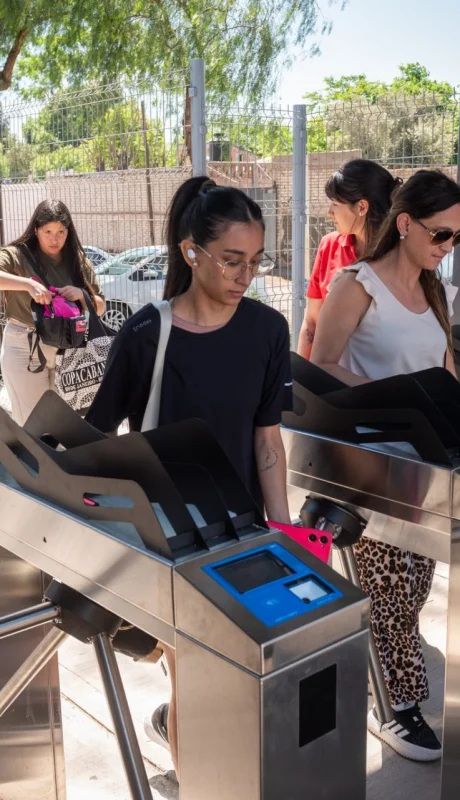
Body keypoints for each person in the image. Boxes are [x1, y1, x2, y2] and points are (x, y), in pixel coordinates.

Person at [86, 176, 293, 776]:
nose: (244, 275)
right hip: (172, 541)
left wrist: (286, 539)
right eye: (231, 260)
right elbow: (97, 440)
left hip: (246, 534)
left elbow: (268, 443)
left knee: (249, 683)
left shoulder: (266, 330)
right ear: (190, 252)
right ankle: (193, 780)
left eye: (255, 262)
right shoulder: (147, 333)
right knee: (196, 683)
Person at [310, 169, 460, 762]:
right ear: (405, 224)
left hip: (425, 461)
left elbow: (446, 370)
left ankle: (380, 685)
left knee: (417, 584)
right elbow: (321, 365)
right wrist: (394, 395)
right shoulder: (358, 283)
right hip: (369, 460)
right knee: (391, 587)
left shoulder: (434, 291)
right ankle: (397, 708)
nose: (448, 248)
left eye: (457, 238)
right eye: (442, 234)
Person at [0, 200, 105, 425]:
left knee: (65, 425)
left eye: (60, 232)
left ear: (69, 232)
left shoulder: (78, 261)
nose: (54, 239)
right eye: (47, 231)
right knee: (32, 425)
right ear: (36, 229)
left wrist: (82, 296)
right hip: (24, 346)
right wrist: (27, 284)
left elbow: (102, 306)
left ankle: (60, 461)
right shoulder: (18, 255)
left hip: (70, 349)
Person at [298, 159, 401, 359]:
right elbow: (311, 321)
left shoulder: (401, 256)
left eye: (335, 204)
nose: (329, 214)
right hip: (328, 376)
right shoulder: (329, 245)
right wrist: (301, 380)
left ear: (362, 207)